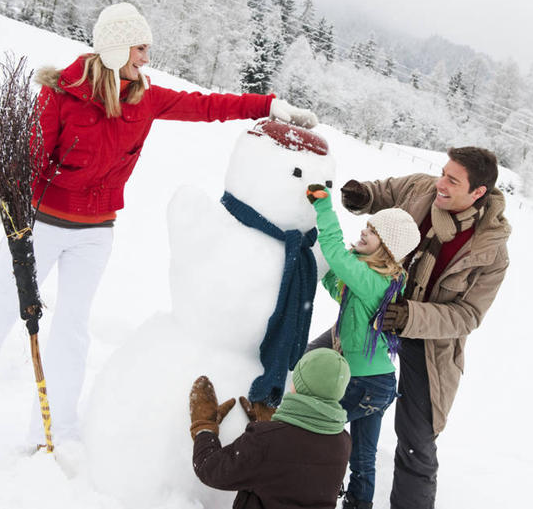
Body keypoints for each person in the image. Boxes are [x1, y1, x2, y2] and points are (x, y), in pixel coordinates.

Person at [0, 2, 318, 446]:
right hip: (39, 225)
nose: (146, 58)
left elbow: (205, 106)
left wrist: (269, 105)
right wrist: (9, 199)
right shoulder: (61, 93)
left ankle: (56, 429)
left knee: (73, 329)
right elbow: (34, 157)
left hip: (95, 232)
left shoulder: (145, 98)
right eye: (140, 48)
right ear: (115, 48)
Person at [309, 146, 511, 508]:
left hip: (428, 341)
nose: (441, 183)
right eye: (443, 172)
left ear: (478, 193)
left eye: (453, 180)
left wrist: (410, 316)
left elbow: (468, 315)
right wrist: (363, 195)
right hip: (372, 322)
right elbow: (385, 193)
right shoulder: (423, 189)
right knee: (309, 366)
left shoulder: (490, 251)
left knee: (416, 439)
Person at [306, 185, 420, 509]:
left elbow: (338, 259)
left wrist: (324, 210)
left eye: (372, 231)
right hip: (379, 385)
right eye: (367, 225)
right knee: (362, 458)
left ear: (386, 249)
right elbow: (338, 284)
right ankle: (358, 503)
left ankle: (310, 494)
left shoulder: (374, 282)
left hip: (363, 384)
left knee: (319, 431)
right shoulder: (373, 281)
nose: (364, 230)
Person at [189, 348, 352, 509]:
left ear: (301, 387)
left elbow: (210, 469)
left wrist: (204, 427)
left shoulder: (265, 441)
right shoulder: (343, 441)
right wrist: (272, 426)